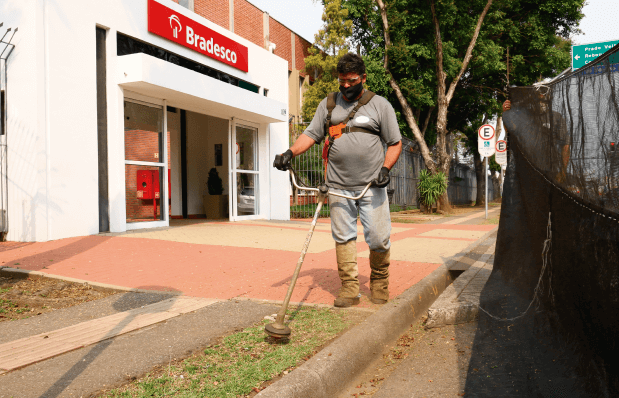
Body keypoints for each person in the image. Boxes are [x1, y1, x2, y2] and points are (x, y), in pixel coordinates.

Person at [274, 53, 402, 307]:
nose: (345, 86)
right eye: (341, 81)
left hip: (370, 184)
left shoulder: (380, 105)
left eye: (351, 81)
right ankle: (349, 288)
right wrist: (289, 152)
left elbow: (395, 143)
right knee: (343, 236)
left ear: (363, 78)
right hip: (337, 184)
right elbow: (311, 133)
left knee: (377, 237)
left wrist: (385, 169)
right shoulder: (329, 104)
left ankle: (379, 282)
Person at [503, 98, 570, 183]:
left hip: (551, 169)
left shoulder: (556, 117)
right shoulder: (525, 117)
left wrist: (563, 171)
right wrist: (506, 113)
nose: (541, 103)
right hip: (528, 169)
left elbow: (566, 145)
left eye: (544, 100)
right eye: (538, 99)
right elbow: (510, 131)